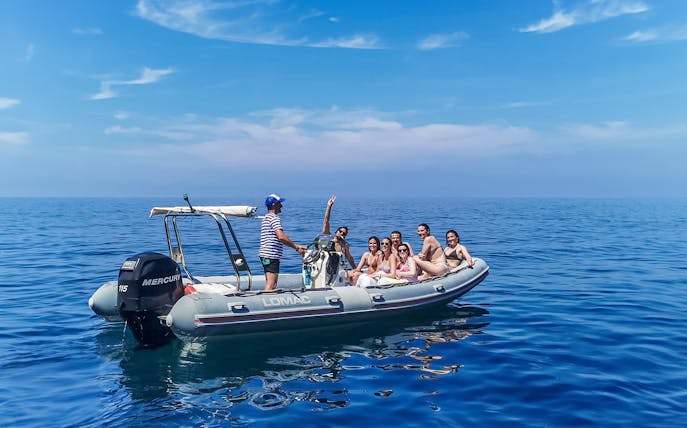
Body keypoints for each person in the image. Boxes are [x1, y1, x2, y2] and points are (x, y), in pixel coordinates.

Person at [259, 193, 307, 291]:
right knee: (272, 284)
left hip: (266, 254)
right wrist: (296, 248)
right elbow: (281, 237)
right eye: (279, 203)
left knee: (270, 281)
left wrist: (296, 245)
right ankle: (267, 303)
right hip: (271, 255)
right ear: (273, 205)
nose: (281, 205)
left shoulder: (267, 217)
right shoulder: (274, 218)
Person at [321, 195, 356, 268]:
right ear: (336, 231)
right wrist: (329, 206)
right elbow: (326, 221)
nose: (341, 233)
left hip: (337, 267)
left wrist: (355, 269)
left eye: (344, 233)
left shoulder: (345, 245)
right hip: (324, 265)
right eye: (340, 231)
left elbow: (349, 258)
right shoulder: (328, 236)